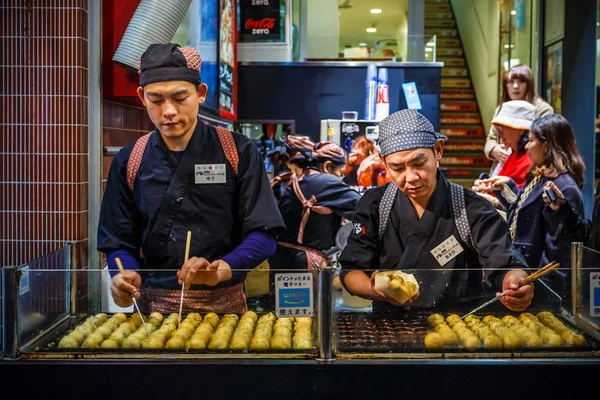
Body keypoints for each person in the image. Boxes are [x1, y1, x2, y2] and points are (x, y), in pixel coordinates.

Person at [97, 44, 285, 314]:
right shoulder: (130, 159)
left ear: (201, 94)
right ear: (141, 97)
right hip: (152, 309)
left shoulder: (237, 151)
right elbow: (117, 240)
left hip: (225, 304)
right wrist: (124, 274)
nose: (169, 111)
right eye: (156, 99)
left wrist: (224, 267)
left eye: (180, 97)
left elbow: (264, 234)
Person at [339, 110, 534, 315]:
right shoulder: (375, 205)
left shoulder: (471, 209)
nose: (411, 177)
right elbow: (351, 270)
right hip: (390, 329)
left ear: (438, 150)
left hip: (458, 329)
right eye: (397, 168)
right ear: (384, 162)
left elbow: (504, 261)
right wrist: (374, 290)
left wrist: (515, 283)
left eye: (419, 163)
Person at [479, 114, 585, 297]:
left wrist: (543, 289)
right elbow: (524, 212)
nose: (526, 146)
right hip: (525, 273)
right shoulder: (539, 176)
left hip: (542, 285)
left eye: (531, 141)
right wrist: (505, 189)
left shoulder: (563, 186)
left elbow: (560, 252)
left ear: (546, 145)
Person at [270, 141, 361, 270]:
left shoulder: (303, 179)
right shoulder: (326, 182)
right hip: (302, 262)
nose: (341, 177)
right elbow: (363, 207)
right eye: (340, 172)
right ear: (327, 167)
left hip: (282, 258)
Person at [484, 65, 553, 175]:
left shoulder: (542, 109)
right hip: (502, 166)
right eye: (511, 81)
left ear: (529, 84)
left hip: (528, 166)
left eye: (521, 81)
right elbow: (491, 139)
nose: (516, 86)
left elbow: (544, 142)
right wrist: (493, 149)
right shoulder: (501, 109)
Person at [475, 100, 537, 192]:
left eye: (504, 126)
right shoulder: (514, 154)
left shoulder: (529, 160)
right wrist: (486, 185)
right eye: (499, 126)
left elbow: (514, 201)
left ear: (521, 129)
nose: (499, 131)